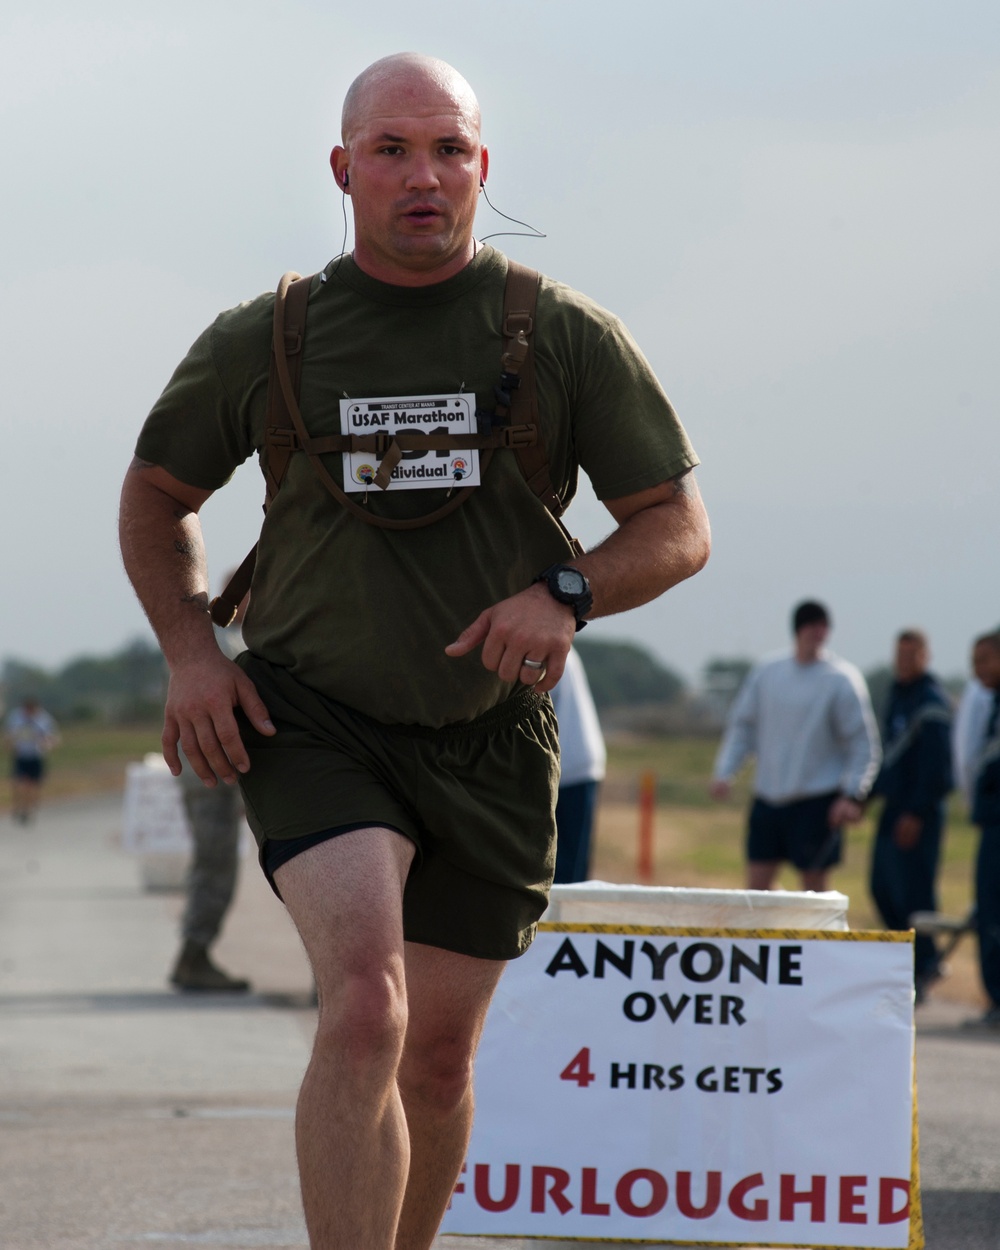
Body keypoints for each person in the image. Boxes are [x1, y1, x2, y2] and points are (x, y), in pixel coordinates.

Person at [118, 53, 710, 1250]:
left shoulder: (560, 335)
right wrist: (193, 651)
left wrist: (567, 591)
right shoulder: (269, 335)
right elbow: (155, 494)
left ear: (482, 166)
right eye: (391, 151)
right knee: (364, 1014)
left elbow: (677, 528)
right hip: (316, 718)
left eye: (448, 149)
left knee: (436, 1063)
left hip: (493, 734)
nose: (422, 176)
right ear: (344, 172)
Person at [710, 600, 880, 892]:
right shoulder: (768, 673)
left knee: (813, 887)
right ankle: (774, 932)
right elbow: (743, 726)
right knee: (757, 888)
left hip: (817, 799)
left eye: (823, 627)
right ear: (798, 630)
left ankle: (819, 938)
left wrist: (853, 793)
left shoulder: (841, 679)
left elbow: (862, 742)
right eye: (812, 625)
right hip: (768, 796)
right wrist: (726, 771)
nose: (819, 633)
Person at [170, 587, 252, 992]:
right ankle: (194, 954)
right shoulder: (228, 642)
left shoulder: (211, 642)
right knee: (216, 863)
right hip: (213, 772)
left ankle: (194, 952)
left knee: (215, 862)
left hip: (212, 770)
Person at [868, 630, 953, 1002]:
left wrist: (917, 812)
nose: (904, 661)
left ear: (925, 656)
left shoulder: (931, 702)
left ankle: (924, 965)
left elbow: (938, 769)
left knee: (914, 893)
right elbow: (889, 759)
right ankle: (912, 961)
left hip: (919, 814)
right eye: (899, 654)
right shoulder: (897, 697)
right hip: (892, 808)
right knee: (882, 888)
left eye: (911, 654)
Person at [963, 632, 1000, 1028]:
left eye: (985, 660)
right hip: (990, 822)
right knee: (988, 912)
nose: (978, 669)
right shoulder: (990, 704)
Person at [550, 647, 606, 884]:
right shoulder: (557, 643)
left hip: (567, 766)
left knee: (564, 868)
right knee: (569, 863)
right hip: (577, 762)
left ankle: (561, 921)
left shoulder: (544, 645)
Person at [5, 697, 60, 824]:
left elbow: (54, 737)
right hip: (21, 755)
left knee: (33, 785)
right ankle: (19, 807)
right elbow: (9, 734)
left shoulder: (44, 719)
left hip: (36, 755)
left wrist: (48, 744)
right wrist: (9, 744)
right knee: (19, 783)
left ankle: (29, 808)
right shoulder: (15, 717)